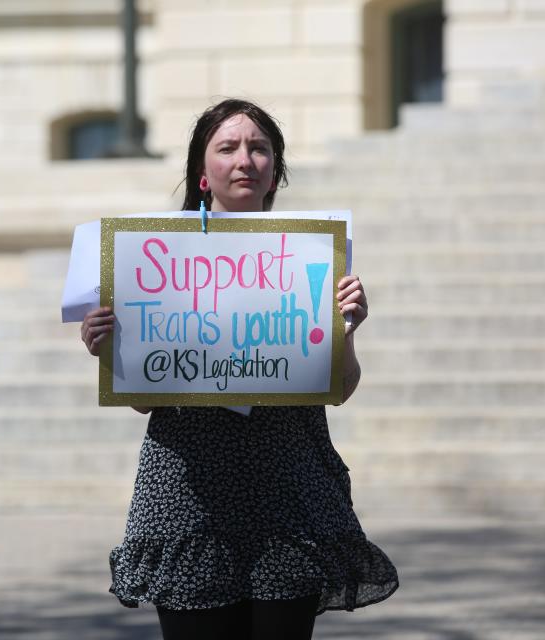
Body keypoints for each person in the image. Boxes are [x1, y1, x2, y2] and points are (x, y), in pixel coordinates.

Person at [80, 98, 398, 640]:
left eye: (259, 148)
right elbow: (143, 399)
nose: (244, 159)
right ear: (203, 173)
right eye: (227, 148)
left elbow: (340, 389)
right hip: (189, 494)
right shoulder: (158, 257)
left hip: (288, 491)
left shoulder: (312, 256)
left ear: (276, 170)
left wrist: (347, 329)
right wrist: (112, 350)